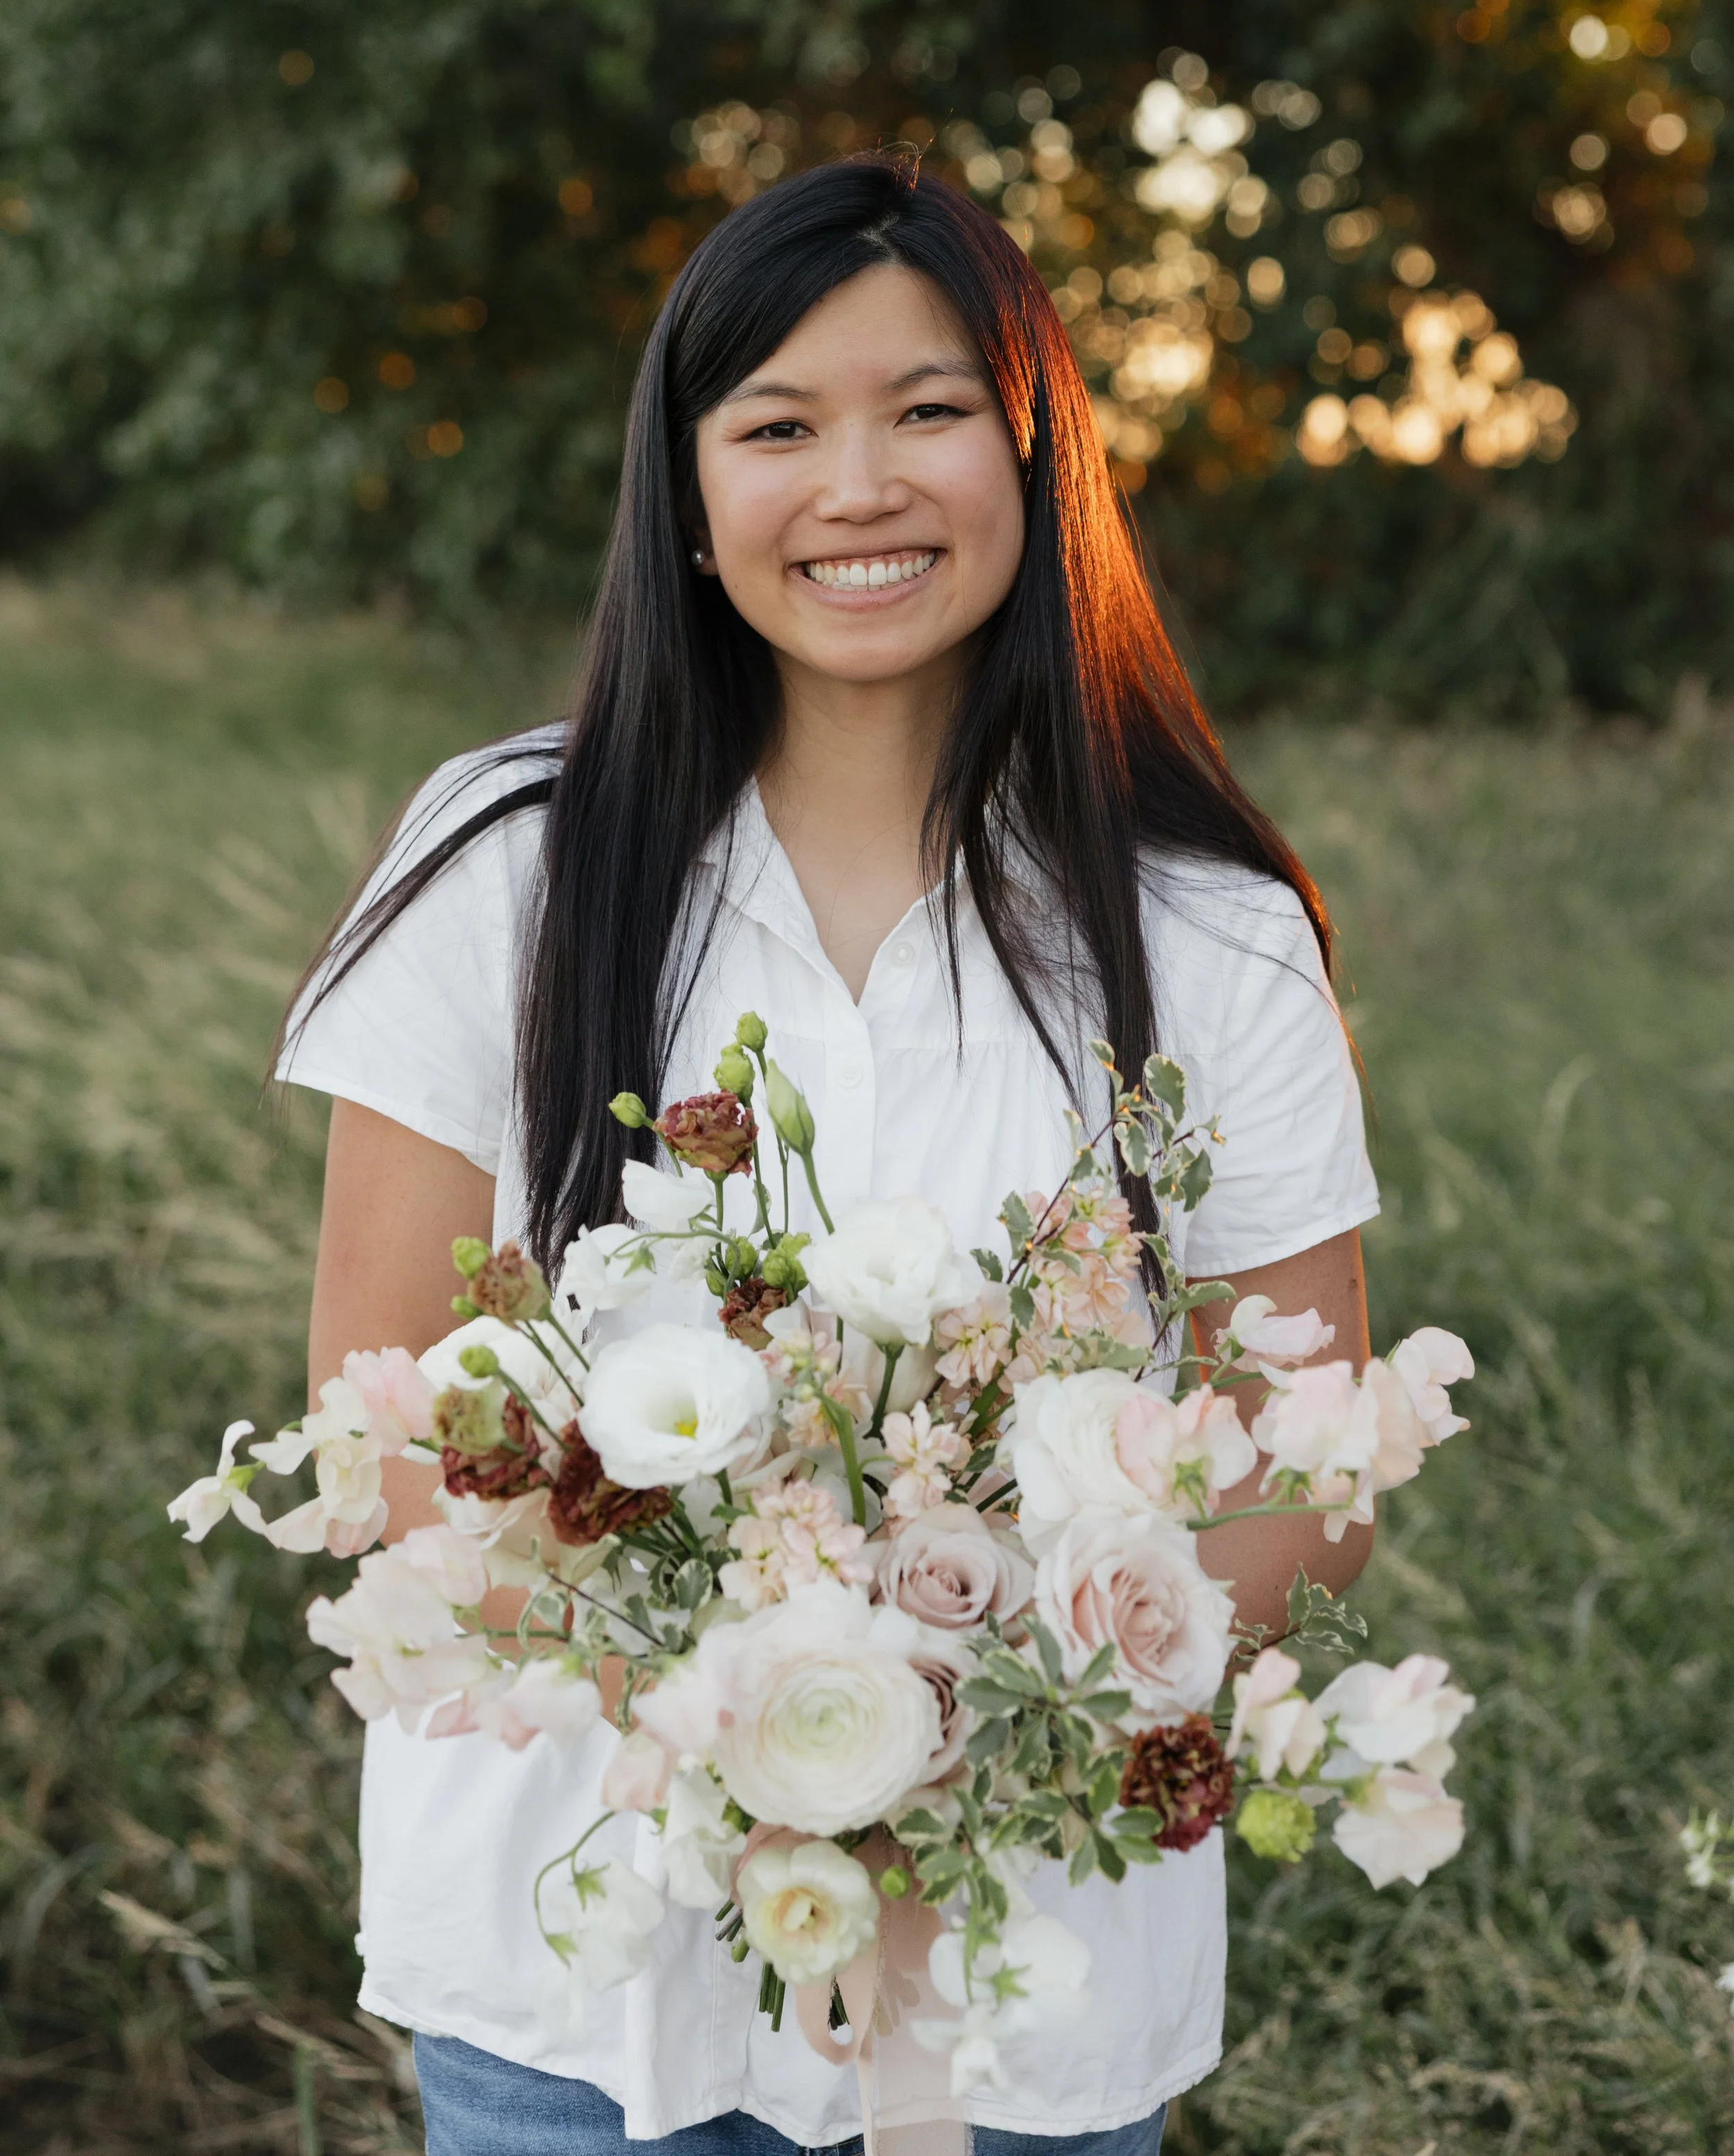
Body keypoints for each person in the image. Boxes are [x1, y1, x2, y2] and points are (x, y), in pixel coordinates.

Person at [277, 154, 1378, 2156]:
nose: (855, 484)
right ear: (687, 502)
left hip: (1028, 1977)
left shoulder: (1206, 929)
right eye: (777, 426)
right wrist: (752, 1711)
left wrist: (968, 1725)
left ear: (1034, 460)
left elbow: (1304, 1463)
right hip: (579, 1977)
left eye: (930, 410)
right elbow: (387, 1429)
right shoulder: (506, 871)